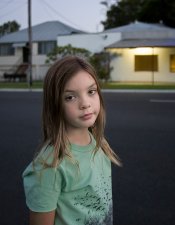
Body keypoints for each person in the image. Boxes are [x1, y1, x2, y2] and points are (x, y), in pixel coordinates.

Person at [22, 55, 121, 225]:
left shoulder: (100, 144)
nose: (85, 103)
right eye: (70, 97)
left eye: (91, 91)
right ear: (55, 105)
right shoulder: (50, 165)